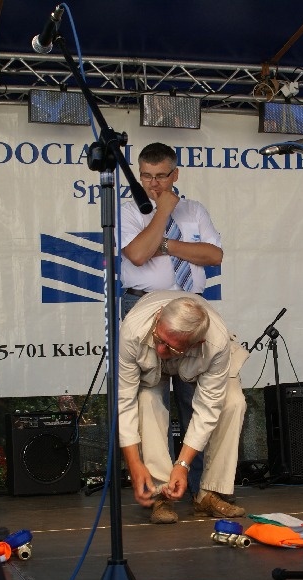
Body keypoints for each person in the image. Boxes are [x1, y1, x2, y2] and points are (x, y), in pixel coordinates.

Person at [119, 142, 225, 495]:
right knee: (151, 401)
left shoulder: (195, 210)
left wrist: (163, 245)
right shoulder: (129, 211)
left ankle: (200, 489)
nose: (153, 184)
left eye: (161, 176)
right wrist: (162, 211)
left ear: (175, 174)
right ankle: (160, 489)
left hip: (191, 310)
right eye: (146, 176)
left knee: (196, 400)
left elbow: (213, 255)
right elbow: (137, 254)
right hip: (146, 308)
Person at [118, 291, 248, 524]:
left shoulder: (215, 343)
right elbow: (124, 401)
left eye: (171, 348)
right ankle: (161, 494)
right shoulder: (132, 330)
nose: (161, 351)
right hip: (150, 364)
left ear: (197, 343)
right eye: (160, 340)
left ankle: (209, 493)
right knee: (147, 400)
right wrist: (134, 464)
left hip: (199, 358)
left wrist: (182, 465)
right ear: (158, 317)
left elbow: (207, 409)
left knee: (233, 402)